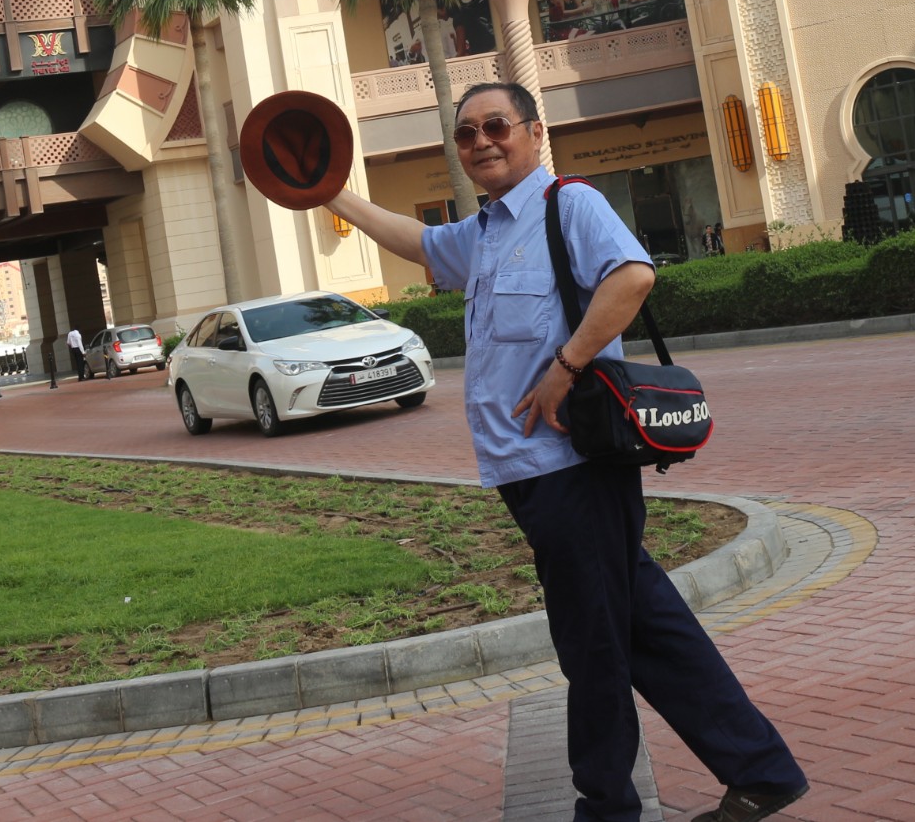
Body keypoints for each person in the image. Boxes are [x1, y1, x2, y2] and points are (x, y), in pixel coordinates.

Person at [326, 82, 808, 822]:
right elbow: (418, 242)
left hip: (574, 468)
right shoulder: (484, 232)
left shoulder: (569, 205)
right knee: (644, 627)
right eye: (466, 134)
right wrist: (332, 193)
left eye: (495, 125)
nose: (480, 141)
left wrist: (567, 364)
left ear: (534, 131)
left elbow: (633, 276)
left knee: (592, 645)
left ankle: (608, 806)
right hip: (530, 473)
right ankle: (761, 770)